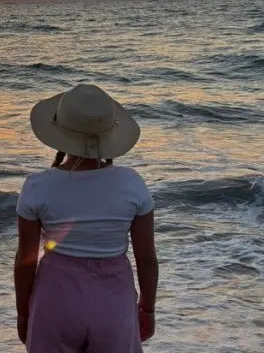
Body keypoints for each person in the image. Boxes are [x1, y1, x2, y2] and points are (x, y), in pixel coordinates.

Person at [14, 84, 158, 353]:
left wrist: (23, 313)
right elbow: (146, 258)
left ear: (60, 131)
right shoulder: (132, 184)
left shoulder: (37, 186)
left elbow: (25, 261)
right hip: (113, 303)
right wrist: (147, 309)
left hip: (56, 301)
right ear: (109, 133)